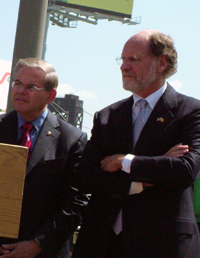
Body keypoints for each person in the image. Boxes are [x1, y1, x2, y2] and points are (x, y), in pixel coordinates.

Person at [72, 29, 200, 258]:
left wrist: (125, 161)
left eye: (134, 59)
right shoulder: (107, 116)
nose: (124, 67)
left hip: (161, 246)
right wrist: (142, 181)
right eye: (123, 59)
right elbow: (85, 176)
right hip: (101, 244)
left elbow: (184, 171)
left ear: (162, 63)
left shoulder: (190, 112)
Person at [0, 58, 88, 258]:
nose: (20, 91)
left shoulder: (71, 140)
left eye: (31, 87)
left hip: (43, 252)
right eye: (17, 83)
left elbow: (75, 203)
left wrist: (37, 244)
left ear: (50, 95)